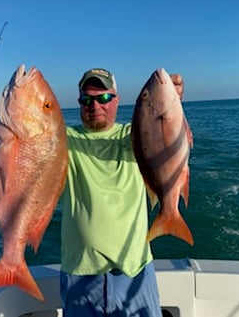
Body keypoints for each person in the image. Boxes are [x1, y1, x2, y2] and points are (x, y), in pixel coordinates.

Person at [59, 68, 184, 317]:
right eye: (87, 99)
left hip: (135, 272)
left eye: (103, 98)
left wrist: (172, 100)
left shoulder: (135, 135)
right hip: (80, 275)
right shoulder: (65, 140)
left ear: (116, 99)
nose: (95, 105)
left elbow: (166, 132)